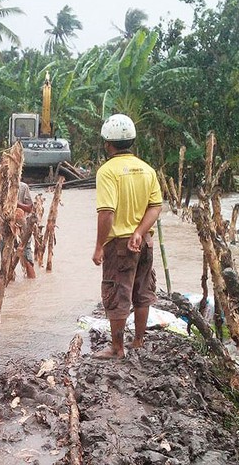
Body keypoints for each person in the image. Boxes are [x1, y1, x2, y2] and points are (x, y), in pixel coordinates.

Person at [92, 114, 163, 359]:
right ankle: (139, 341)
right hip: (144, 241)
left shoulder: (107, 171)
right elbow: (155, 206)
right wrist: (140, 233)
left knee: (116, 292)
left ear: (107, 144)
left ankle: (117, 348)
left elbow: (106, 213)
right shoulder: (147, 169)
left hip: (119, 244)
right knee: (142, 290)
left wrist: (99, 246)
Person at [17, 180, 37, 279]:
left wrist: (16, 204)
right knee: (4, 257)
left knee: (27, 256)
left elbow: (30, 208)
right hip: (4, 226)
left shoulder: (22, 187)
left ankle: (32, 282)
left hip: (21, 224)